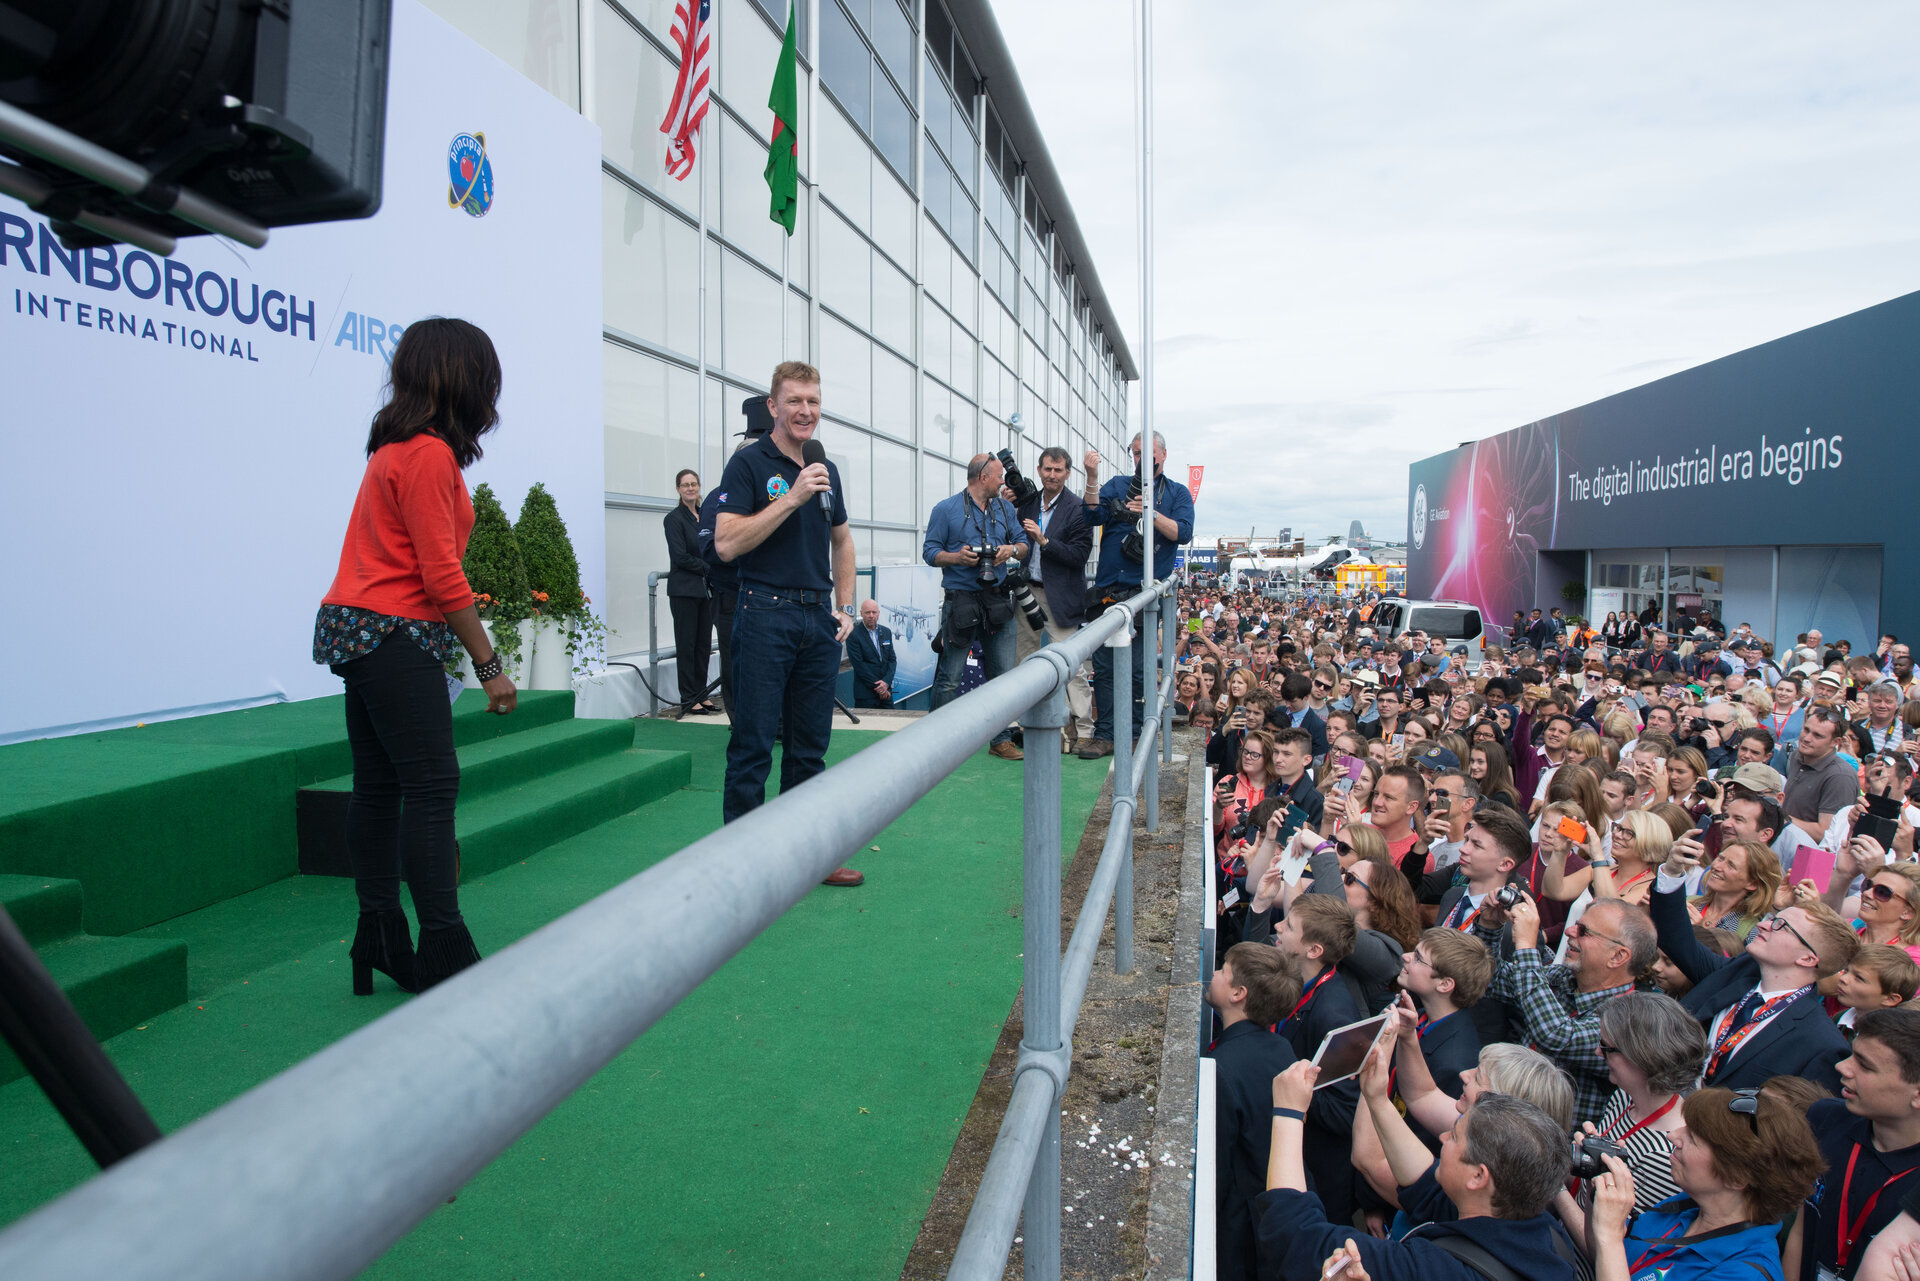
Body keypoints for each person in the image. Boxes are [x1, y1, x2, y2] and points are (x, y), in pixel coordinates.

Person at [315, 317, 514, 994]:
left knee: (377, 788)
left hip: (357, 628)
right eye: (485, 376)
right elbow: (441, 576)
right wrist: (490, 667)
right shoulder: (428, 454)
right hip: (397, 632)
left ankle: (379, 932)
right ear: (462, 379)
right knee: (431, 788)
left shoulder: (390, 449)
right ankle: (443, 947)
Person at [712, 361, 863, 886]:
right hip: (764, 614)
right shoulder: (750, 465)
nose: (805, 411)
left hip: (817, 618)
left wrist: (845, 607)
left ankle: (808, 855)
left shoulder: (826, 468)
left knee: (810, 746)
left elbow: (841, 540)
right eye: (794, 401)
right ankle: (745, 866)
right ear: (773, 407)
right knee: (753, 743)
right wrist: (792, 496)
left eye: (813, 402)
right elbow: (727, 542)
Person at [1260, 1071, 1579, 1281]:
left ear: (1478, 1177)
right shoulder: (1548, 1237)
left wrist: (1289, 1113)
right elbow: (1427, 1189)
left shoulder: (1434, 1271)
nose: (1442, 1140)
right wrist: (1376, 1096)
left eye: (1454, 1137)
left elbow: (1294, 1235)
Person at [1648, 844, 1858, 1091]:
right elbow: (1675, 938)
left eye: (1780, 925)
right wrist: (1672, 871)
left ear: (1807, 959)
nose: (1763, 926)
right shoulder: (1736, 973)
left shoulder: (1821, 1042)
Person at [1585, 1087, 1825, 1281]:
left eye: (1693, 1137)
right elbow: (1605, 1257)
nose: (1672, 1136)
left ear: (1736, 1177)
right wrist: (1598, 1181)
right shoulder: (1687, 1208)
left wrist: (1609, 1235)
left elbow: (1609, 1246)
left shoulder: (1744, 1273)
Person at [1489, 891, 1656, 1126]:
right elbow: (1491, 981)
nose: (1569, 931)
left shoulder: (1630, 1019)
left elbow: (1557, 1034)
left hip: (1546, 1145)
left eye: (1584, 931)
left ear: (1618, 956)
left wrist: (1527, 946)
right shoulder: (1564, 977)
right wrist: (1490, 926)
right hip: (1504, 1113)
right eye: (1576, 925)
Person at [1078, 432, 1195, 759]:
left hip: (1146, 596)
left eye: (1148, 453)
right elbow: (1091, 515)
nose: (1142, 459)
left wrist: (1151, 513)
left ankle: (1133, 734)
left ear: (1163, 454)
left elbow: (1183, 533)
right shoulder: (1117, 484)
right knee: (1103, 665)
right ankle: (1106, 735)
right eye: (1137, 453)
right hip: (1108, 592)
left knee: (1140, 669)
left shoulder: (1176, 493)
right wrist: (1091, 478)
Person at [1786, 1009, 1920, 1281]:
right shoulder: (1825, 1118)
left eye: (1865, 1065)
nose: (1842, 1067)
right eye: (1851, 1054)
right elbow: (1802, 1226)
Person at [1206, 942, 1302, 1281]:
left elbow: (1215, 1163)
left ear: (1238, 994)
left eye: (1223, 971)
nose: (1214, 973)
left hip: (1240, 1227)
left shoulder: (1220, 1069)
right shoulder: (1281, 1047)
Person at [924, 454, 1030, 760]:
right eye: (998, 476)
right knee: (950, 675)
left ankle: (999, 739)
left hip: (997, 597)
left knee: (1003, 676)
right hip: (961, 599)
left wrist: (1011, 549)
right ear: (983, 477)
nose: (1003, 482)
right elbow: (930, 552)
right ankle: (934, 740)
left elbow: (1023, 546)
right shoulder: (945, 509)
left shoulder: (1006, 508)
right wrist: (957, 558)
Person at [1576, 992, 1706, 1214]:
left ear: (1642, 1057)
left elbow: (1610, 1243)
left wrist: (1556, 1190)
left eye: (1606, 1047)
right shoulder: (1625, 1096)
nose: (1598, 1052)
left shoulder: (1666, 1155)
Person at [1012, 446, 1094, 753]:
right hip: (1025, 593)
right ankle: (1028, 726)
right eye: (1047, 469)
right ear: (1039, 470)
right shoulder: (1028, 504)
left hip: (1060, 597)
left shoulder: (1077, 508)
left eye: (1058, 470)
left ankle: (1084, 730)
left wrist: (1044, 542)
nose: (1052, 475)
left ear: (1068, 473)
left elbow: (1078, 556)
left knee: (1072, 668)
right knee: (1025, 664)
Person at [663, 468, 718, 716]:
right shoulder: (674, 519)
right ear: (678, 489)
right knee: (686, 645)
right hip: (684, 591)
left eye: (694, 484)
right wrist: (709, 567)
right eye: (685, 485)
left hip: (705, 592)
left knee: (703, 645)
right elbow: (680, 556)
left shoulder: (705, 515)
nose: (690, 488)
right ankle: (688, 697)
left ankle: (701, 693)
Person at [845, 598, 896, 708]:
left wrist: (886, 683)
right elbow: (859, 665)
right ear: (861, 614)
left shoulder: (886, 632)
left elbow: (892, 660)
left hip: (886, 692)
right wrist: (880, 688)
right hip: (866, 695)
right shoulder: (853, 635)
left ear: (878, 613)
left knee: (891, 723)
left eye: (874, 612)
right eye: (867, 612)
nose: (871, 615)